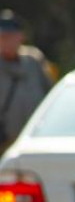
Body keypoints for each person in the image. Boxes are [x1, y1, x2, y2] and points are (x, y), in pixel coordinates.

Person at [0, 9, 53, 153]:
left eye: (11, 36)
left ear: (21, 37)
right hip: (4, 142)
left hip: (34, 141)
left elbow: (50, 96)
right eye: (3, 37)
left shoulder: (34, 61)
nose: (7, 41)